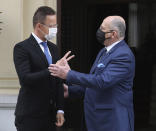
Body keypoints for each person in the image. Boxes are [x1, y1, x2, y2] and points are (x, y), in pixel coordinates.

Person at [49, 16, 135, 131]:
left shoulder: (123, 55)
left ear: (113, 34)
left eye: (103, 28)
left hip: (112, 121)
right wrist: (71, 90)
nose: (99, 30)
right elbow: (93, 83)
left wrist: (69, 74)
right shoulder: (104, 51)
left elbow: (102, 81)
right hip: (97, 120)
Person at [13, 6, 74, 131]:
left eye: (55, 25)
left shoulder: (53, 48)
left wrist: (60, 109)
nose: (55, 29)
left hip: (51, 115)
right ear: (39, 26)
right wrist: (53, 69)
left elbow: (58, 82)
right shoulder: (22, 48)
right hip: (30, 115)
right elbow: (25, 79)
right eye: (51, 26)